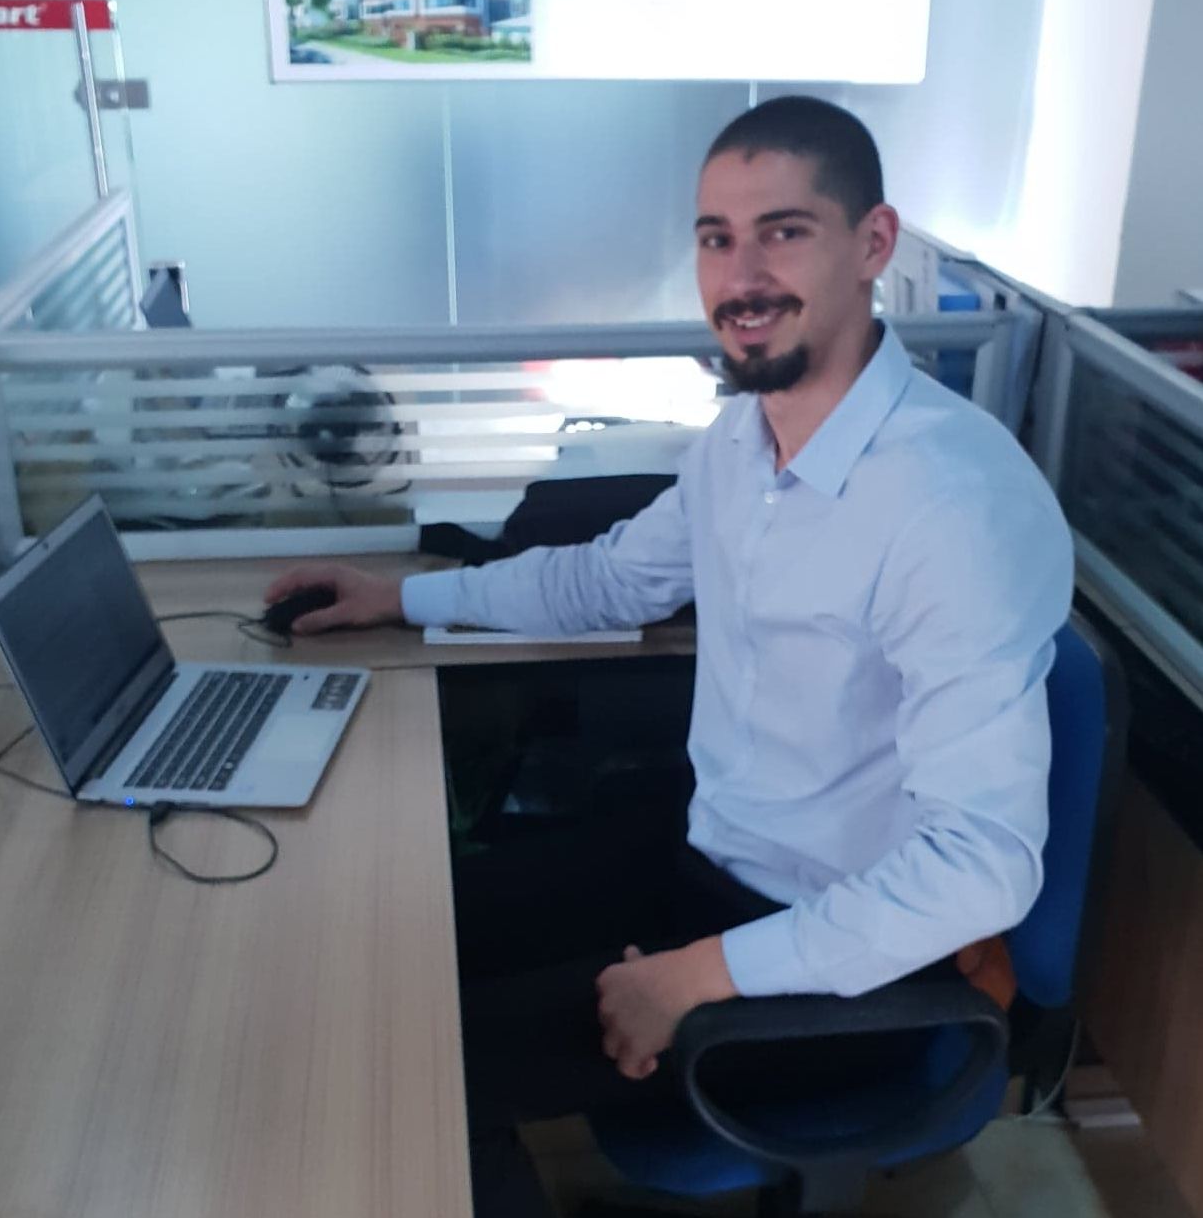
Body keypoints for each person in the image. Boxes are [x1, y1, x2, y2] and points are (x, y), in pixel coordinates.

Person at [263, 96, 1074, 1216]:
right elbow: (606, 578)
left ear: (873, 244)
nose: (740, 275)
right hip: (703, 864)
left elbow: (982, 868)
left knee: (406, 1070)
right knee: (391, 935)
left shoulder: (950, 509)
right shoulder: (744, 440)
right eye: (714, 237)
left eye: (783, 231)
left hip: (838, 971)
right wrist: (401, 597)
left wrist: (692, 980)